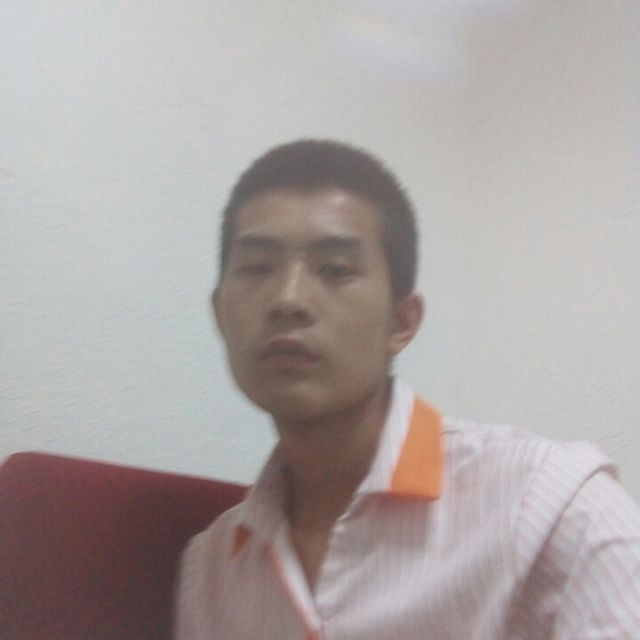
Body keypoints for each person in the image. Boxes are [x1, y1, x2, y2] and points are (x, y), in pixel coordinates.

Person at [174, 139, 640, 639]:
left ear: (401, 321)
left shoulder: (551, 506)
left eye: (334, 269)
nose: (288, 300)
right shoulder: (213, 566)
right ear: (219, 314)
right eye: (256, 267)